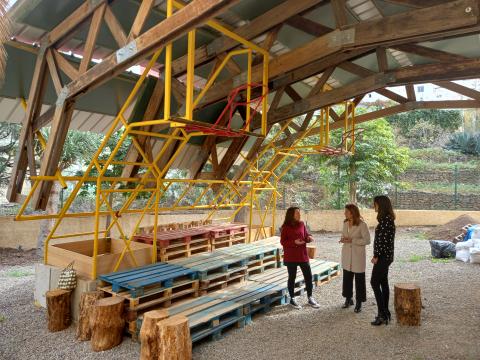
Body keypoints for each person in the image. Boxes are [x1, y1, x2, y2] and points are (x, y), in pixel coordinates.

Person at [280, 206, 320, 309]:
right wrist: (294, 242)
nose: (299, 214)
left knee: (308, 276)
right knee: (292, 277)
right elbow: (283, 242)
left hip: (302, 255)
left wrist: (309, 238)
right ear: (291, 215)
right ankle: (292, 299)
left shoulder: (302, 224)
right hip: (291, 256)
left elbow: (306, 235)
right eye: (297, 213)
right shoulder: (285, 227)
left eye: (299, 212)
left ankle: (310, 297)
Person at [340, 203, 370, 313]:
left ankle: (359, 302)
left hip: (358, 256)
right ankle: (348, 299)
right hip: (347, 255)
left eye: (347, 212)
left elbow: (367, 240)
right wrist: (343, 239)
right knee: (347, 278)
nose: (345, 213)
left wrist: (353, 241)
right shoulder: (345, 223)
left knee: (359, 280)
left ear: (352, 213)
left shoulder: (362, 225)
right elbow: (344, 236)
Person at [370, 195, 396, 326]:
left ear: (380, 205)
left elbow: (383, 243)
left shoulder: (386, 221)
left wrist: (376, 256)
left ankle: (382, 314)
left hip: (383, 257)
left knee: (374, 282)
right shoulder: (387, 220)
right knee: (383, 283)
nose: (374, 206)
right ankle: (386, 313)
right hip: (386, 257)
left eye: (375, 204)